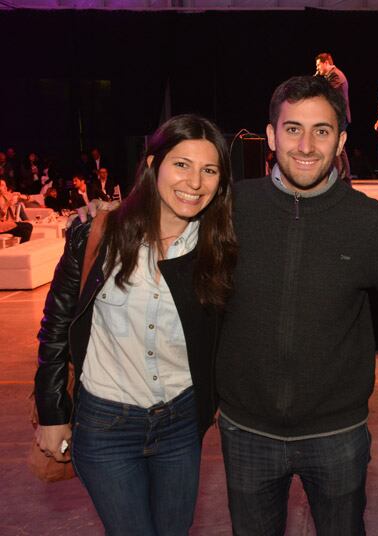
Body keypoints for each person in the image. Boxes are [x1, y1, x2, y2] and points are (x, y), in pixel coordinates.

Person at [33, 114, 238, 535]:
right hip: (106, 425)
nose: (194, 182)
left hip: (180, 424)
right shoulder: (98, 233)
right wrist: (53, 414)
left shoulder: (219, 247)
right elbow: (56, 326)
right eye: (181, 164)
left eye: (209, 170)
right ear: (151, 165)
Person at [216, 75, 378, 536]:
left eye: (321, 131)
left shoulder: (369, 222)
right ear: (272, 135)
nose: (305, 144)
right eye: (293, 128)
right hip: (246, 431)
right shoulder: (231, 209)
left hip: (336, 434)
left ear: (340, 139)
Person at [315, 52, 351, 181]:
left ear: (326, 63)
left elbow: (327, 94)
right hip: (337, 115)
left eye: (319, 65)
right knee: (338, 148)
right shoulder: (331, 75)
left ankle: (343, 179)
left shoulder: (335, 75)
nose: (317, 68)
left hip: (338, 116)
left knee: (338, 148)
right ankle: (343, 179)